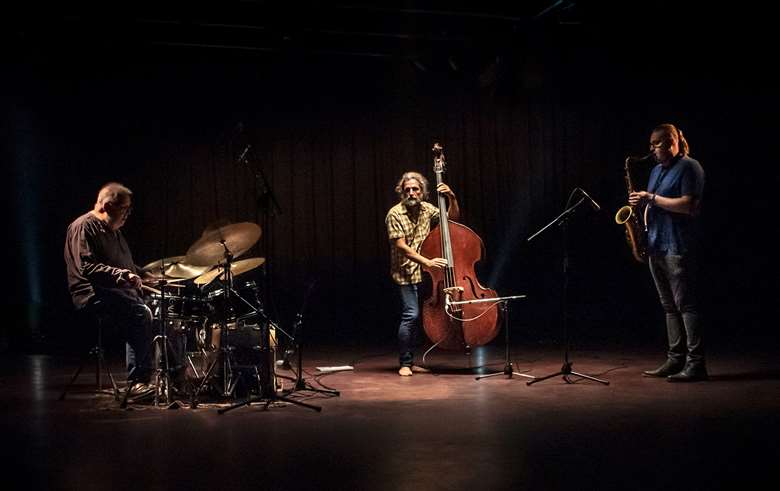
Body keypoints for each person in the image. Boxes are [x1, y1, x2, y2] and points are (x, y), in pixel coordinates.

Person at [629, 124, 707, 382]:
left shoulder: (690, 167)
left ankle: (695, 364)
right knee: (668, 306)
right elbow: (654, 203)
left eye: (657, 144)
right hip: (656, 244)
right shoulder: (655, 171)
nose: (651, 149)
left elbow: (688, 206)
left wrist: (650, 198)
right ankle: (675, 360)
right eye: (651, 144)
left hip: (677, 246)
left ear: (672, 141)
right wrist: (639, 207)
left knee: (686, 306)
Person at [64, 182, 155, 393]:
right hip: (92, 295)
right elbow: (86, 267)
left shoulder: (114, 231)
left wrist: (142, 274)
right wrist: (122, 275)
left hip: (116, 293)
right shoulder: (83, 226)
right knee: (140, 313)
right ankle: (138, 382)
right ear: (106, 205)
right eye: (124, 208)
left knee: (163, 310)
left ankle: (174, 375)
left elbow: (124, 266)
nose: (128, 214)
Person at [385, 171, 459, 376]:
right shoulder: (395, 213)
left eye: (415, 189)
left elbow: (450, 221)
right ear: (402, 192)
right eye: (407, 189)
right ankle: (405, 363)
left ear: (422, 192)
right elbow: (401, 247)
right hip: (405, 273)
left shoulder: (427, 209)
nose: (411, 193)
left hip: (425, 275)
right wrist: (428, 261)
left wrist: (452, 198)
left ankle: (412, 361)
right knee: (411, 315)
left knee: (419, 318)